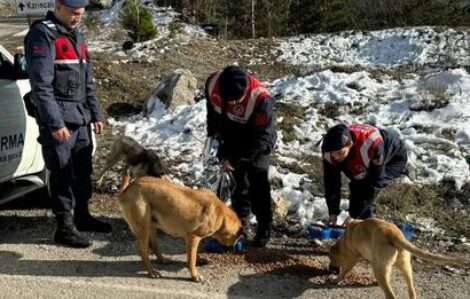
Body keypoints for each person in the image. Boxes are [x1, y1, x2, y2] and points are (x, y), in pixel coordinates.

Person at [24, 0, 111, 248]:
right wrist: (54, 122)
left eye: (81, 14)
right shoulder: (42, 34)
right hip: (60, 119)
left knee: (83, 170)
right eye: (73, 13)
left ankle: (82, 216)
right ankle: (64, 227)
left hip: (80, 116)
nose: (77, 18)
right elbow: (41, 87)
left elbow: (87, 81)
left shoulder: (75, 35)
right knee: (62, 171)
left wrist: (96, 114)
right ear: (58, 6)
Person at [205, 66, 277, 247]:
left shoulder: (261, 98)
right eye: (228, 100)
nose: (232, 104)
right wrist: (215, 141)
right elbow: (212, 114)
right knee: (237, 183)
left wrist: (236, 159)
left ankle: (264, 228)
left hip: (256, 140)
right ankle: (240, 224)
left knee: (257, 183)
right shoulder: (213, 83)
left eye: (236, 100)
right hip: (230, 136)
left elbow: (263, 139)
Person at [321, 123, 408, 225]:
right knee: (356, 189)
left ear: (350, 144)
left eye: (340, 152)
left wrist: (356, 216)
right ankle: (361, 221)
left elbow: (375, 183)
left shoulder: (371, 145)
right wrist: (333, 211)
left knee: (364, 192)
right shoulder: (329, 151)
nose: (336, 157)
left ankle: (367, 227)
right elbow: (331, 181)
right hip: (361, 159)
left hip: (393, 158)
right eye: (333, 153)